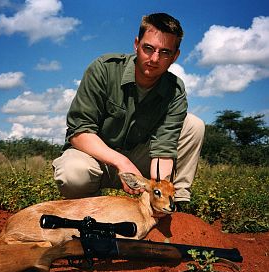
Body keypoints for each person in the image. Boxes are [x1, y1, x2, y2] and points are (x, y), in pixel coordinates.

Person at [53, 13, 205, 203]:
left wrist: (157, 190)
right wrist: (121, 162)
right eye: (148, 48)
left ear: (175, 56)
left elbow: (163, 150)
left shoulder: (175, 90)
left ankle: (174, 205)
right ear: (136, 44)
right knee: (72, 174)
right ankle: (89, 212)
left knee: (194, 125)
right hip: (97, 160)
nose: (155, 58)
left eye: (165, 52)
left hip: (141, 164)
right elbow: (79, 132)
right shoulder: (103, 69)